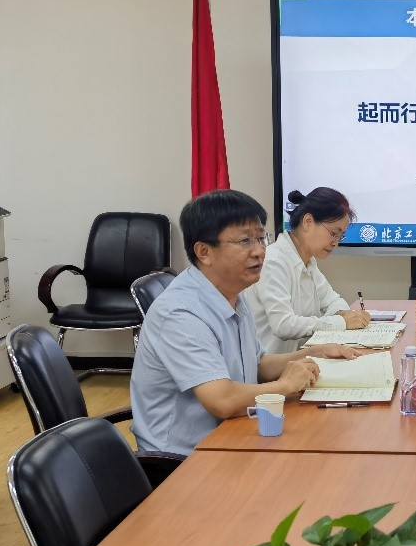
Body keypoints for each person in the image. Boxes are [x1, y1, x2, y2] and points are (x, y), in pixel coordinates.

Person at [131, 190, 361, 456]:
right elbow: (222, 401)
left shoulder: (233, 295)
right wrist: (286, 386)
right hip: (184, 459)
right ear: (204, 252)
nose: (260, 251)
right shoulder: (180, 313)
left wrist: (316, 352)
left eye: (261, 238)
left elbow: (258, 365)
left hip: (235, 433)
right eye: (244, 241)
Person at [246, 187, 370, 354]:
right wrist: (341, 322)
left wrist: (344, 314)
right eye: (334, 233)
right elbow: (283, 325)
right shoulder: (274, 261)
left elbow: (333, 300)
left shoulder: (308, 262)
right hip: (270, 366)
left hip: (300, 360)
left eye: (340, 236)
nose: (336, 242)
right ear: (308, 221)